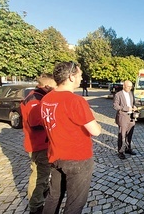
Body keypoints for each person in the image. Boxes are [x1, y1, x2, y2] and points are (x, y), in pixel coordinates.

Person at [40, 61, 102, 214]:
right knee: (75, 204)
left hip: (55, 156)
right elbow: (96, 131)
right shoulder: (76, 101)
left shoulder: (46, 99)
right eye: (80, 75)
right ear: (71, 77)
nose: (81, 79)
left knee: (53, 197)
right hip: (78, 159)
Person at [20, 73, 56, 214]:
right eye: (54, 85)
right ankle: (36, 206)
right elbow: (36, 123)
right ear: (47, 85)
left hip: (41, 144)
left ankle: (39, 200)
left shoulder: (39, 96)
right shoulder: (35, 99)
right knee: (40, 176)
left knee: (41, 175)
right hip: (38, 146)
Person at [113, 80, 137, 160]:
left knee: (129, 135)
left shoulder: (131, 93)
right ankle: (120, 151)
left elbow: (133, 103)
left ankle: (128, 148)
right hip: (123, 117)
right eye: (128, 86)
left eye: (131, 87)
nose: (130, 88)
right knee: (122, 135)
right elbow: (115, 106)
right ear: (124, 86)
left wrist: (134, 107)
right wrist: (126, 108)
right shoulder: (118, 94)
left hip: (131, 117)